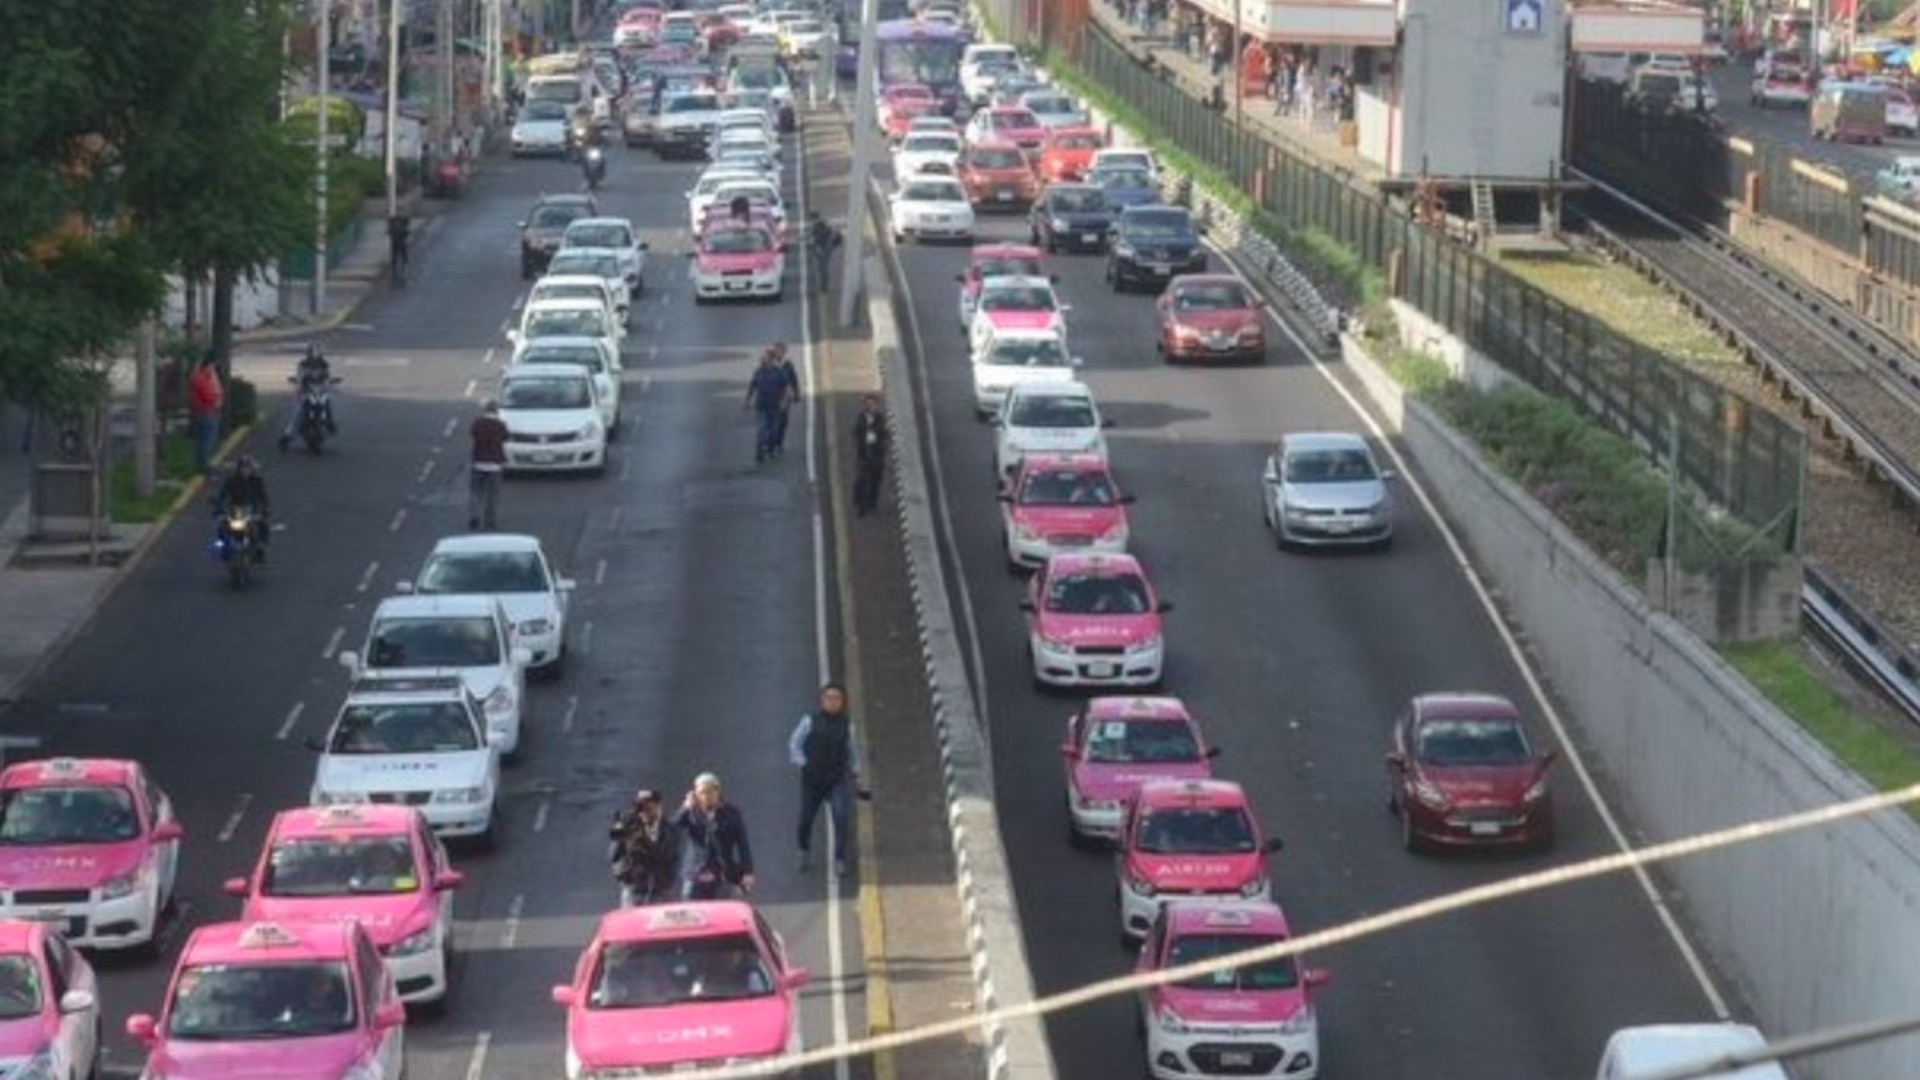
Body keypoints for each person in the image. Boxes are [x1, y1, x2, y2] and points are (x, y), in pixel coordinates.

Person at [788, 682, 865, 877]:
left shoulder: (848, 726)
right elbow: (794, 743)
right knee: (806, 818)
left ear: (842, 702)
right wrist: (803, 763)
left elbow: (853, 752)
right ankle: (803, 849)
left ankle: (840, 858)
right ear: (822, 700)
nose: (832, 702)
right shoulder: (809, 721)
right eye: (828, 698)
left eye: (836, 698)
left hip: (836, 780)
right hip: (812, 781)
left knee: (841, 816)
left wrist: (856, 774)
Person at [671, 773, 756, 900]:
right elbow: (670, 830)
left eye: (710, 792)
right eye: (702, 793)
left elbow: (743, 844)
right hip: (695, 873)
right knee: (692, 909)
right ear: (696, 794)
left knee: (722, 908)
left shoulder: (732, 813)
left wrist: (748, 872)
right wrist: (685, 808)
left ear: (718, 791)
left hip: (722, 874)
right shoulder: (691, 812)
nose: (706, 796)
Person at [608, 789, 680, 907]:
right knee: (632, 918)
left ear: (658, 806)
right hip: (634, 889)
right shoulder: (629, 827)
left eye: (648, 807)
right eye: (640, 807)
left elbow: (674, 857)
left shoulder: (670, 829)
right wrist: (625, 876)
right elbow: (615, 855)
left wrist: (668, 879)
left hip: (660, 890)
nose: (644, 812)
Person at [278, 345, 337, 452]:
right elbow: (299, 377)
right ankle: (287, 435)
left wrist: (330, 382)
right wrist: (298, 384)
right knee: (298, 411)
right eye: (312, 357)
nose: (314, 361)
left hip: (319, 391)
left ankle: (330, 424)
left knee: (327, 403)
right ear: (308, 356)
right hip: (306, 392)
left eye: (316, 358)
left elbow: (328, 377)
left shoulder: (324, 364)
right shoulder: (302, 365)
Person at [214, 455, 272, 561]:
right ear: (238, 469)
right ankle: (222, 547)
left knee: (262, 525)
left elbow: (263, 497)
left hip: (251, 510)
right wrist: (218, 509)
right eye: (243, 468)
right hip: (235, 510)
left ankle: (260, 548)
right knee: (222, 527)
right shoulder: (231, 481)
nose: (245, 471)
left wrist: (265, 509)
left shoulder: (257, 481)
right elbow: (222, 496)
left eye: (247, 468)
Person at [743, 348, 791, 463]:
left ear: (772, 360)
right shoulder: (759, 371)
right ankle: (759, 451)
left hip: (775, 407)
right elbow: (752, 386)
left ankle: (770, 449)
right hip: (761, 406)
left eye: (766, 358)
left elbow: (786, 388)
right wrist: (747, 401)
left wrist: (784, 402)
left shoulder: (779, 373)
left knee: (773, 430)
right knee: (761, 428)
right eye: (763, 358)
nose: (763, 360)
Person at [468, 400, 509, 530]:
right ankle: (490, 521)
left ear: (485, 410)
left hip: (478, 463)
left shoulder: (477, 423)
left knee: (476, 492)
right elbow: (505, 437)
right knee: (492, 496)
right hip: (495, 465)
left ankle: (475, 515)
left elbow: (473, 434)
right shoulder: (500, 425)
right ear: (496, 411)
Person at [851, 392, 888, 517]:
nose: (872, 407)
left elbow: (884, 434)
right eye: (869, 404)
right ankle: (860, 506)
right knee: (861, 479)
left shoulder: (880, 419)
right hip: (864, 455)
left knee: (875, 482)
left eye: (874, 404)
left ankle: (872, 504)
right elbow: (856, 434)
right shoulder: (861, 418)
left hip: (877, 456)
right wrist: (860, 444)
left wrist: (880, 443)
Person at [188, 357, 225, 474]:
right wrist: (217, 399)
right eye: (212, 366)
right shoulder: (201, 379)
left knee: (203, 439)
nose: (213, 369)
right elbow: (209, 395)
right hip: (207, 411)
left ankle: (201, 463)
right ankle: (203, 464)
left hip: (206, 411)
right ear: (207, 366)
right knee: (207, 439)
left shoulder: (205, 377)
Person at [771, 344, 800, 455]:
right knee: (773, 421)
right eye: (776, 351)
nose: (778, 353)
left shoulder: (788, 365)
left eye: (780, 351)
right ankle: (772, 442)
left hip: (784, 397)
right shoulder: (770, 364)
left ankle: (779, 442)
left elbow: (794, 379)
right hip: (772, 397)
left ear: (784, 352)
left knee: (783, 421)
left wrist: (796, 394)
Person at [807, 212, 841, 294]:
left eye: (812, 220)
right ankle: (823, 285)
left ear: (814, 219)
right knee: (822, 267)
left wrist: (818, 248)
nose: (811, 222)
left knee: (823, 268)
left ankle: (824, 287)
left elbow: (818, 239)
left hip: (824, 249)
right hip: (825, 248)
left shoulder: (819, 227)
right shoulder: (822, 224)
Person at [388, 212, 411, 286]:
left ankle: (396, 272)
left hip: (397, 240)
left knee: (396, 256)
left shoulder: (394, 221)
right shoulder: (396, 220)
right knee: (400, 255)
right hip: (399, 240)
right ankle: (398, 271)